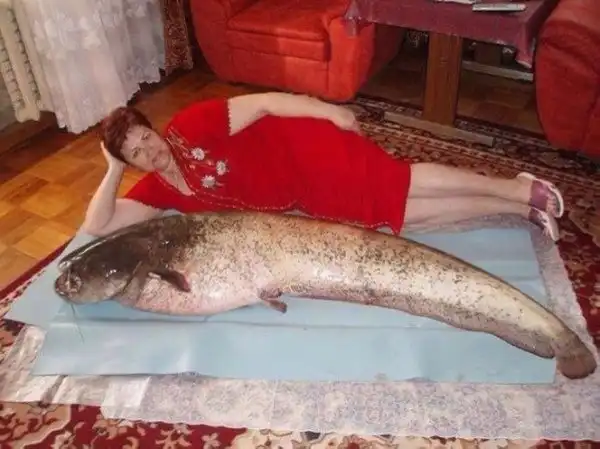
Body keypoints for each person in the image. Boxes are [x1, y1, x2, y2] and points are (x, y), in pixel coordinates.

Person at [83, 92, 563, 241]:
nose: (150, 150)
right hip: (306, 195)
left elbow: (265, 102)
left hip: (306, 150)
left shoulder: (190, 126)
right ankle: (519, 207)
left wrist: (328, 112)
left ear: (153, 128)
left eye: (146, 136)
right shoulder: (160, 190)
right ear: (131, 164)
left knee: (398, 181)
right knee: (397, 215)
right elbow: (97, 225)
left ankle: (518, 189)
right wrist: (111, 171)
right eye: (136, 153)